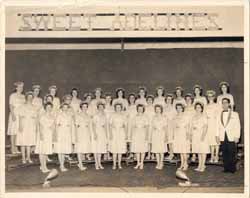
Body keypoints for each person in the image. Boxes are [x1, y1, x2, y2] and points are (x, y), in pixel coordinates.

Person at [216, 98, 240, 173]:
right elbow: (217, 126)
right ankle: (226, 168)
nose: (224, 104)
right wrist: (217, 136)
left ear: (229, 104)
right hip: (222, 136)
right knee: (224, 152)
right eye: (223, 103)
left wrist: (237, 136)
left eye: (226, 103)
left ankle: (232, 168)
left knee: (231, 152)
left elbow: (237, 126)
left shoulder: (235, 114)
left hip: (231, 136)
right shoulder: (219, 114)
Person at [16, 91, 38, 164]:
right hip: (24, 125)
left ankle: (28, 158)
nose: (30, 99)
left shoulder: (34, 107)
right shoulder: (22, 106)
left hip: (31, 125)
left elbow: (35, 118)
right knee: (23, 142)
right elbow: (20, 117)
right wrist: (20, 126)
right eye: (28, 97)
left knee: (29, 142)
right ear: (26, 98)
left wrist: (35, 127)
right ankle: (23, 158)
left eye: (31, 97)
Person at [54, 103, 75, 172]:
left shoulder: (69, 116)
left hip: (67, 133)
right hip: (61, 133)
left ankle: (62, 164)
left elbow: (72, 126)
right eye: (64, 107)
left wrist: (72, 135)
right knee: (60, 150)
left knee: (64, 149)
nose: (65, 109)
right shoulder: (59, 115)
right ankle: (62, 165)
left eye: (66, 107)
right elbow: (56, 126)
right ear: (62, 108)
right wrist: (56, 135)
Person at [35, 102, 55, 173]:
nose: (49, 108)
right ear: (45, 108)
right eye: (47, 107)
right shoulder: (42, 115)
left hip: (49, 135)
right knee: (42, 151)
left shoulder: (52, 116)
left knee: (45, 151)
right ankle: (43, 167)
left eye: (50, 107)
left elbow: (53, 126)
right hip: (43, 134)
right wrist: (41, 135)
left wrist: (52, 134)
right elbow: (40, 126)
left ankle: (44, 166)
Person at [190, 102, 209, 172]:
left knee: (203, 150)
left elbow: (206, 126)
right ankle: (199, 165)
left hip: (202, 134)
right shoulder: (193, 117)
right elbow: (191, 126)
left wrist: (203, 135)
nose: (198, 109)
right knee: (198, 150)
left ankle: (203, 165)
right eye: (196, 107)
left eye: (199, 107)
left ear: (201, 109)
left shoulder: (204, 116)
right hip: (195, 135)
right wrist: (191, 134)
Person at [7, 81, 25, 154]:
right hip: (14, 114)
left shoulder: (23, 96)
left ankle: (16, 148)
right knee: (13, 132)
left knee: (18, 132)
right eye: (19, 87)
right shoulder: (12, 95)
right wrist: (13, 115)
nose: (21, 88)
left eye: (22, 87)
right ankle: (12, 148)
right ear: (16, 88)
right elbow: (11, 106)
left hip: (20, 116)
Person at [130, 104, 149, 170]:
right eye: (139, 108)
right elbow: (132, 126)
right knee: (137, 149)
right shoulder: (134, 117)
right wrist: (132, 134)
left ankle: (142, 163)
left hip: (143, 133)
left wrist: (146, 135)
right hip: (136, 134)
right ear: (137, 109)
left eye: (141, 108)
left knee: (143, 149)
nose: (140, 110)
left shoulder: (145, 117)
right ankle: (138, 163)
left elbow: (147, 127)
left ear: (143, 109)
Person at [109, 103, 128, 169]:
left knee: (120, 149)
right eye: (117, 107)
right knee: (114, 149)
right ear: (115, 108)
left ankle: (119, 164)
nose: (118, 108)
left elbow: (125, 126)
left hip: (121, 133)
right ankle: (114, 164)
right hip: (114, 133)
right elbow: (110, 125)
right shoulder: (112, 115)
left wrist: (126, 134)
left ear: (121, 108)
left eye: (119, 107)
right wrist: (111, 134)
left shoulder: (123, 115)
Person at [172, 103, 190, 171]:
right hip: (177, 134)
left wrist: (187, 135)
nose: (179, 109)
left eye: (180, 108)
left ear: (182, 108)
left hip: (184, 133)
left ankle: (186, 164)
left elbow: (188, 126)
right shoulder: (175, 116)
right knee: (180, 151)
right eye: (177, 108)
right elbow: (174, 126)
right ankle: (182, 164)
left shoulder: (186, 116)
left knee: (184, 150)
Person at [75, 102, 92, 171]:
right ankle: (80, 164)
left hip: (86, 132)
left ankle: (80, 163)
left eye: (86, 106)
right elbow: (76, 126)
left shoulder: (88, 115)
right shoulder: (78, 115)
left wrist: (90, 135)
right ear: (81, 107)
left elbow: (90, 126)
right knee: (79, 148)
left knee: (84, 148)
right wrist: (76, 135)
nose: (84, 108)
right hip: (80, 132)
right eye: (83, 106)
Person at [91, 102, 108, 170]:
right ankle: (96, 163)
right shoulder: (95, 115)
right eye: (99, 107)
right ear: (98, 108)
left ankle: (100, 163)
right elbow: (93, 125)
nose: (101, 108)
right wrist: (95, 134)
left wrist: (106, 135)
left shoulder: (104, 116)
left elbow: (105, 126)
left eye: (102, 107)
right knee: (96, 148)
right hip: (97, 132)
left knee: (100, 148)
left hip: (102, 132)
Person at [151, 104, 168, 169]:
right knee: (156, 149)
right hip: (155, 134)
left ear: (161, 110)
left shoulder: (164, 117)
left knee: (161, 149)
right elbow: (152, 126)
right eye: (156, 109)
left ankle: (161, 163)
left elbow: (166, 127)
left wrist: (166, 136)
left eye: (159, 109)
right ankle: (158, 162)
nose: (158, 110)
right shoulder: (153, 117)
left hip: (162, 134)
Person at [205, 90, 220, 163]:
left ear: (214, 97)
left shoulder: (217, 105)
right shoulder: (206, 106)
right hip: (208, 125)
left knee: (216, 141)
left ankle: (216, 156)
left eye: (211, 96)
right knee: (211, 141)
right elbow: (204, 116)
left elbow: (219, 115)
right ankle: (212, 156)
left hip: (215, 124)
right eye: (209, 96)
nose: (210, 98)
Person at [163, 93, 176, 160]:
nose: (168, 100)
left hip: (171, 126)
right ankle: (169, 153)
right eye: (167, 99)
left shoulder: (173, 108)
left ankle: (172, 154)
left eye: (170, 99)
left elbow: (175, 118)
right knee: (166, 140)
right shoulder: (164, 108)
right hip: (165, 126)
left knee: (170, 140)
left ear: (172, 100)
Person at [126, 93, 137, 160]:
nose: (131, 99)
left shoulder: (136, 107)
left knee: (135, 139)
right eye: (130, 98)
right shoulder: (127, 107)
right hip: (129, 125)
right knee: (129, 140)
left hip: (135, 125)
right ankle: (131, 153)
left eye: (133, 98)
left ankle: (135, 154)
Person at [145, 95, 155, 160]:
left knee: (153, 140)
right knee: (148, 141)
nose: (149, 101)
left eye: (150, 100)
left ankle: (153, 154)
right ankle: (148, 154)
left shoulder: (154, 107)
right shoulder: (145, 108)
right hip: (147, 126)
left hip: (153, 126)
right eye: (148, 100)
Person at [104, 93, 114, 160]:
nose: (108, 99)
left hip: (111, 125)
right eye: (107, 98)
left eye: (109, 98)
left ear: (111, 99)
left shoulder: (113, 107)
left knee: (110, 139)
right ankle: (105, 154)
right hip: (104, 125)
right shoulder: (103, 107)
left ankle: (109, 154)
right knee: (105, 139)